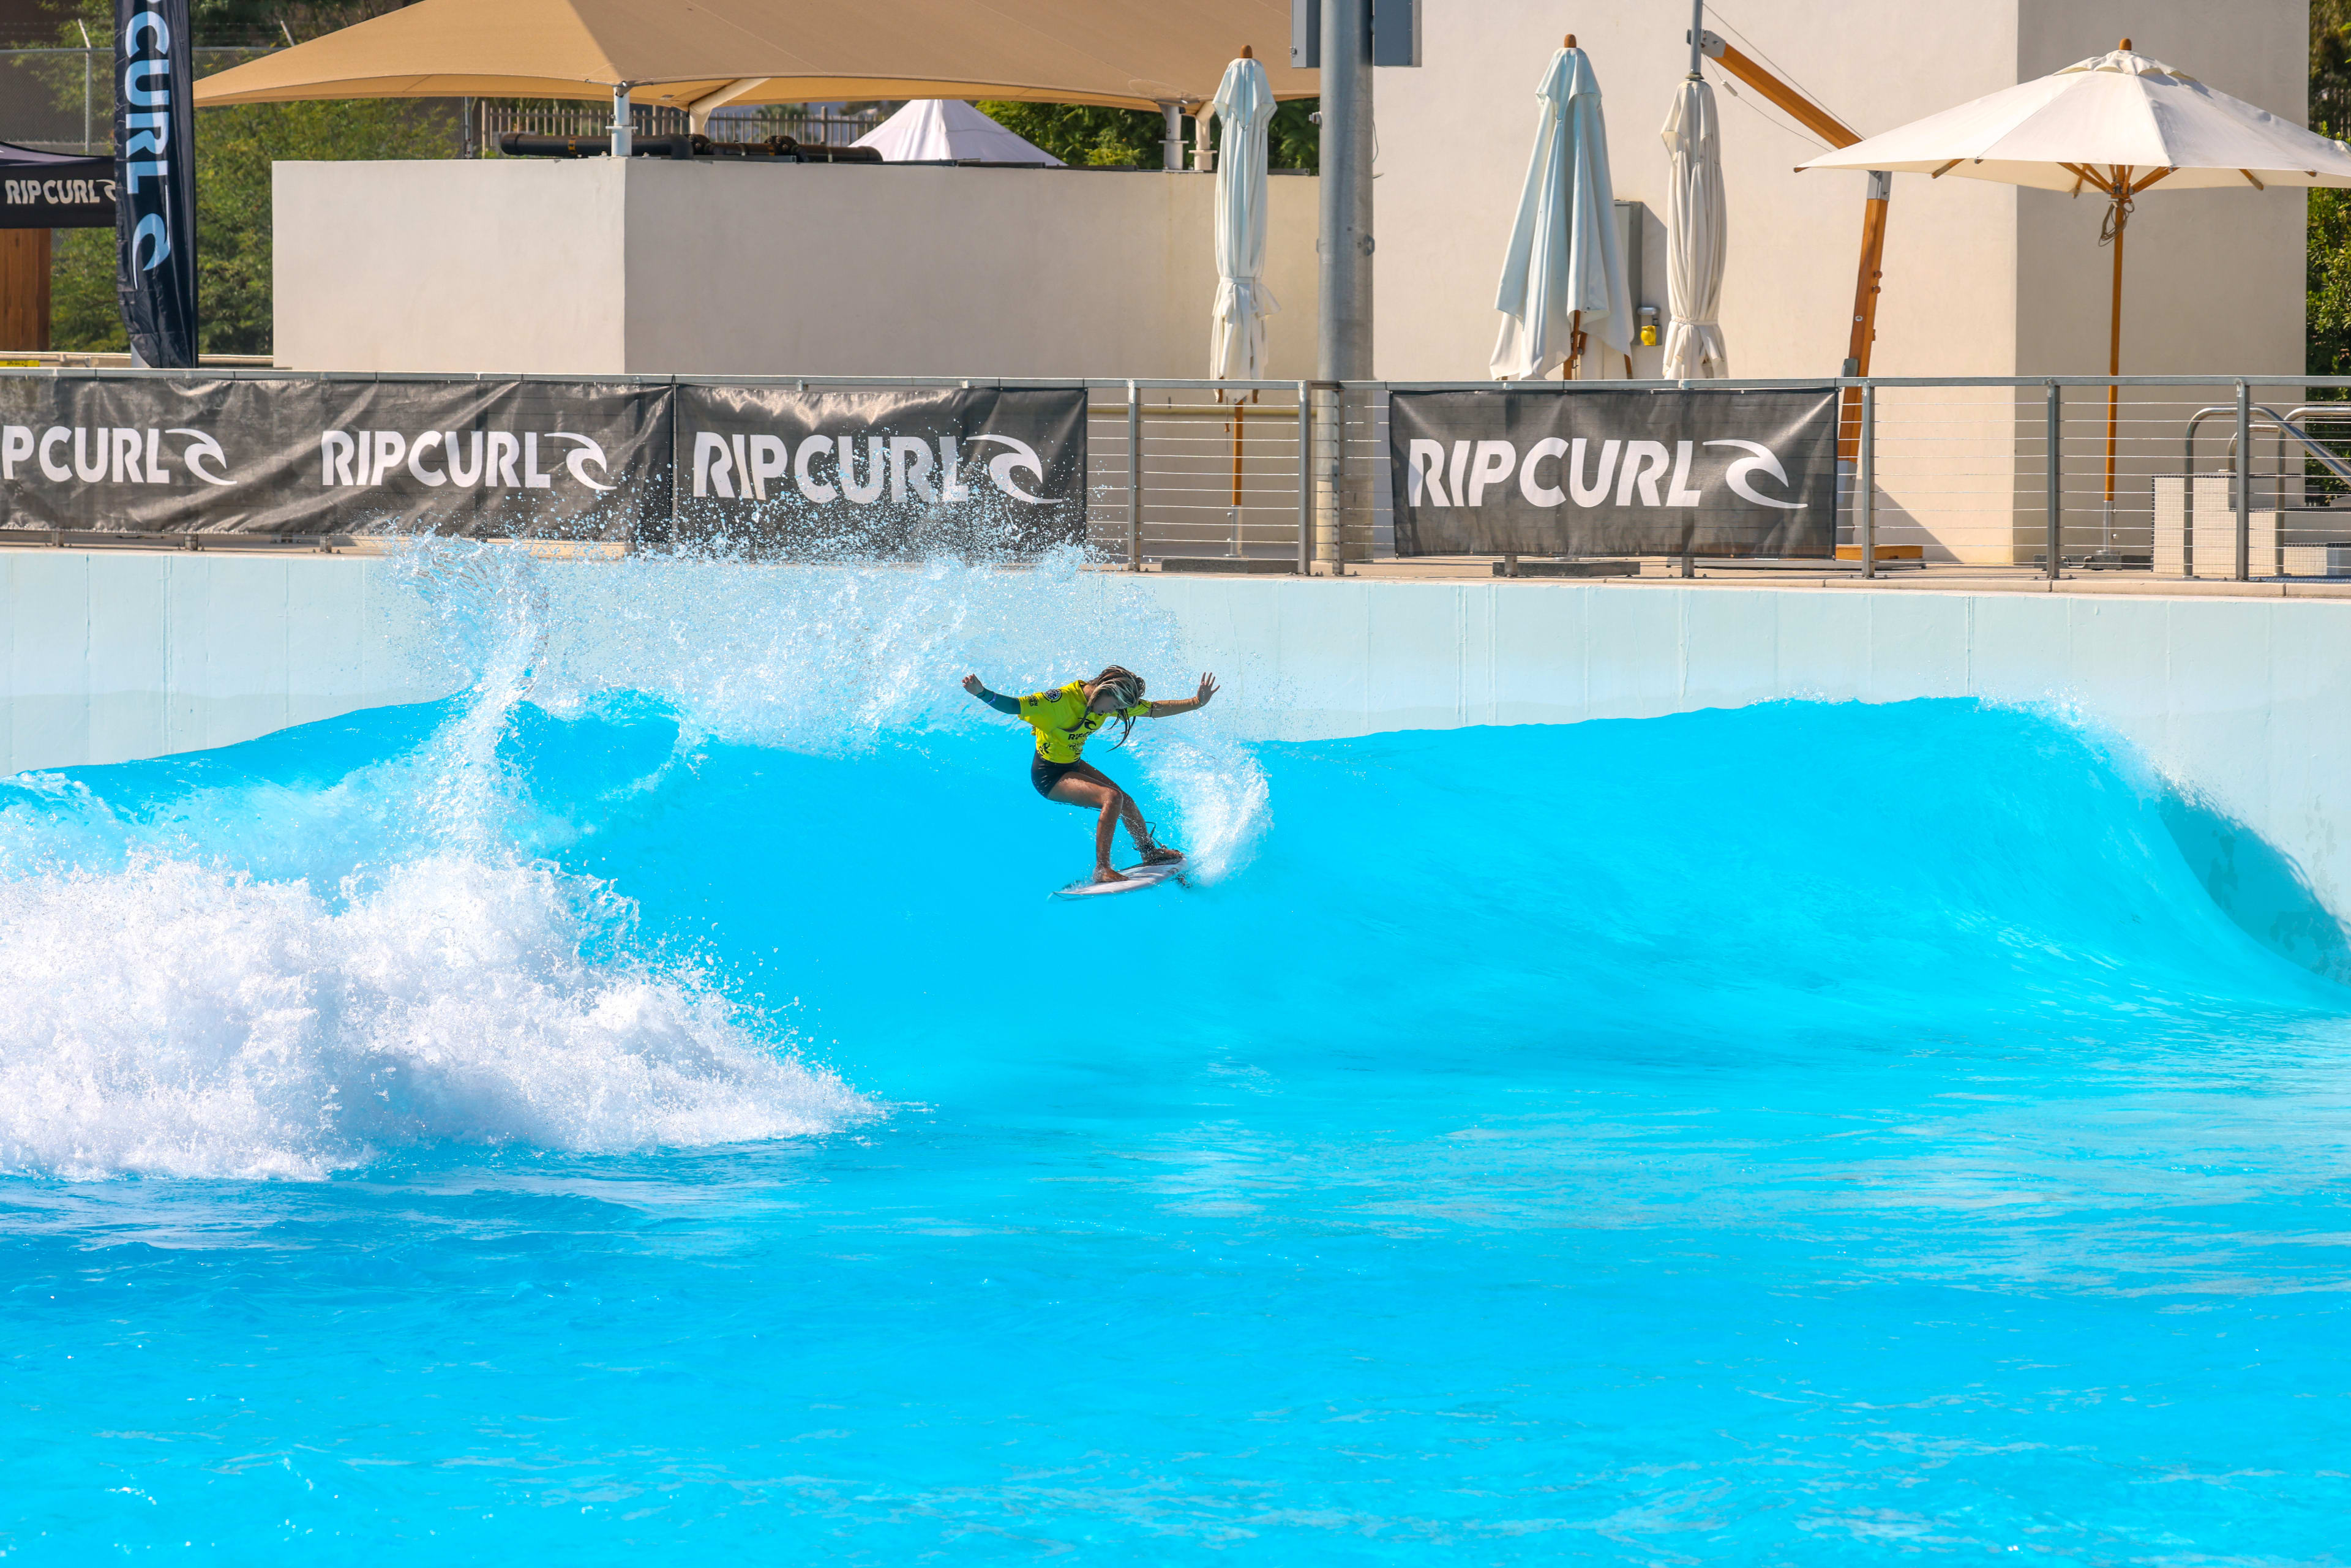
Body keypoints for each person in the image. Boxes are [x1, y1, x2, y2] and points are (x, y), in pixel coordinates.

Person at [961, 665, 1220, 883]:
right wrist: (982, 693)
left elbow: (1153, 709)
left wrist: (1196, 703)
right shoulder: (1058, 701)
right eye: (1113, 706)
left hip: (1071, 764)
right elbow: (1014, 706)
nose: (1112, 712)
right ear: (1104, 691)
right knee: (1111, 798)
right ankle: (1102, 869)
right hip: (1048, 775)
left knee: (1124, 801)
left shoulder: (1109, 700)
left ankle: (1149, 853)